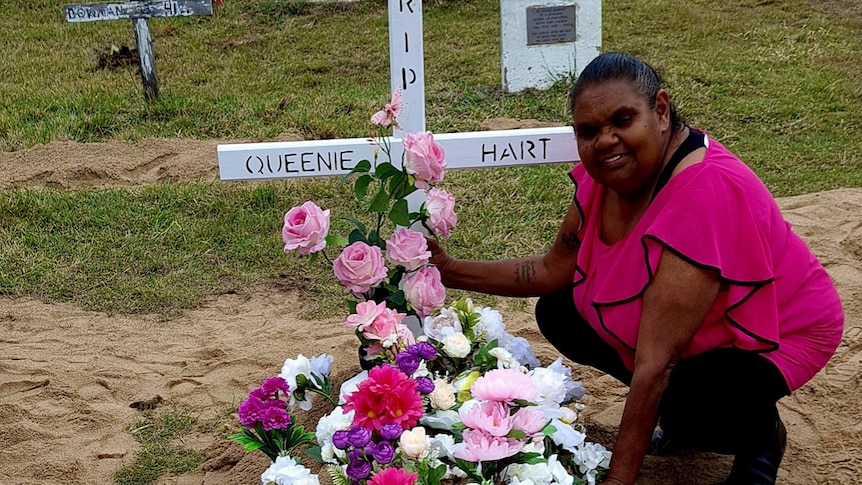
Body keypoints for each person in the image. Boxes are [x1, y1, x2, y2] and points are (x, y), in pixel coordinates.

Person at [428, 52, 844, 485]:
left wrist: (619, 479)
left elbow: (656, 364)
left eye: (622, 121)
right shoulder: (610, 173)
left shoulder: (704, 194)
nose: (605, 141)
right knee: (559, 311)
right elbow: (553, 270)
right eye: (589, 132)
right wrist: (448, 269)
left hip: (782, 329)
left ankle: (759, 437)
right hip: (690, 325)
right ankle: (683, 410)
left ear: (660, 111)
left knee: (693, 402)